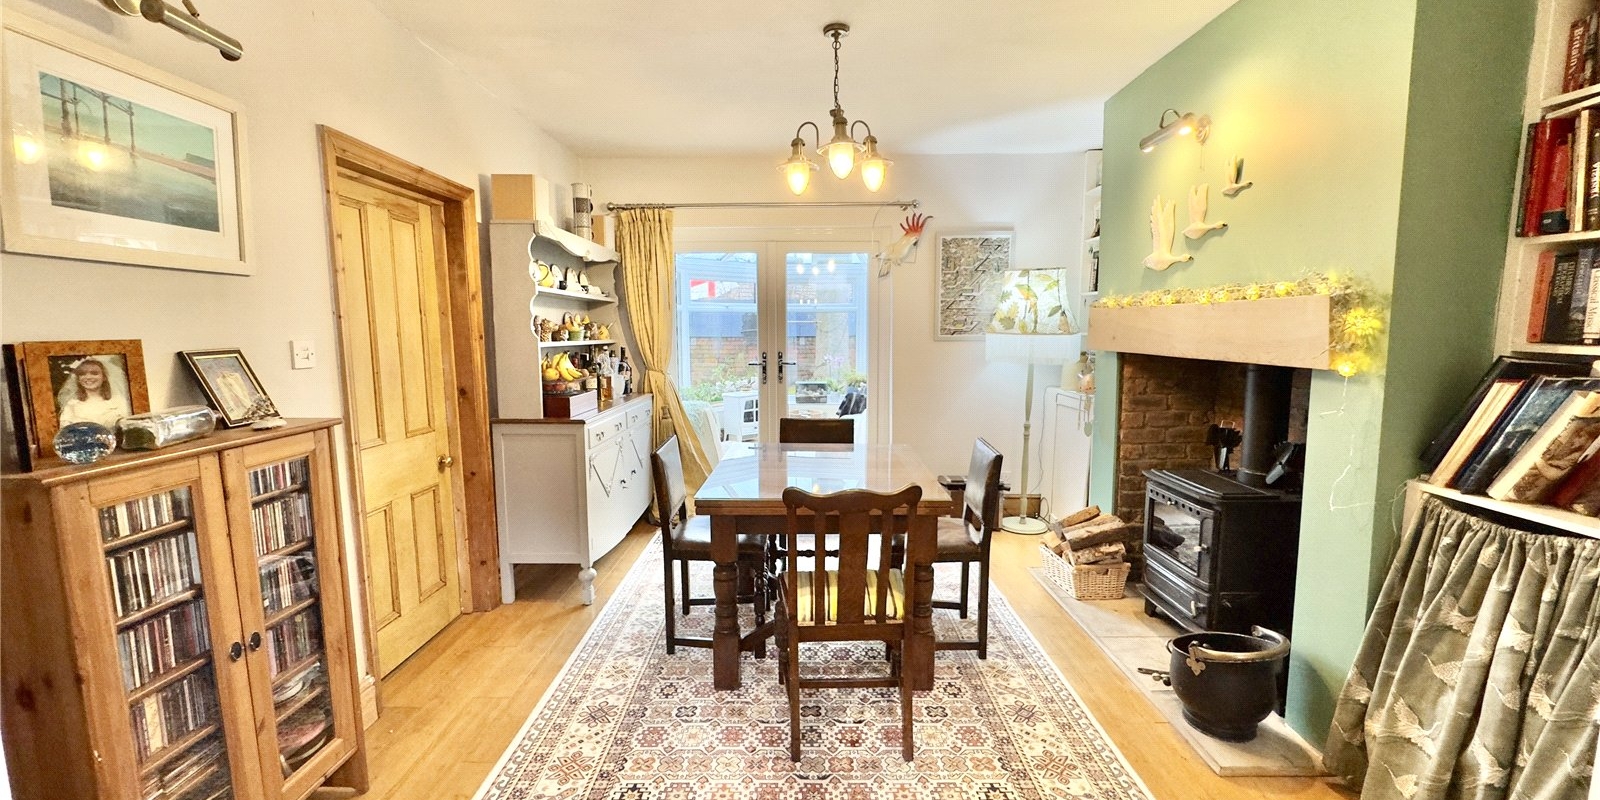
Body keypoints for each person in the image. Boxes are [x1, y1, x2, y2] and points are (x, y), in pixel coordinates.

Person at [56, 357, 132, 429]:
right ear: (78, 379)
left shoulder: (119, 401)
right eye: (83, 374)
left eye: (94, 373)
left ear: (104, 377)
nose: (88, 377)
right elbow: (65, 432)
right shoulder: (72, 405)